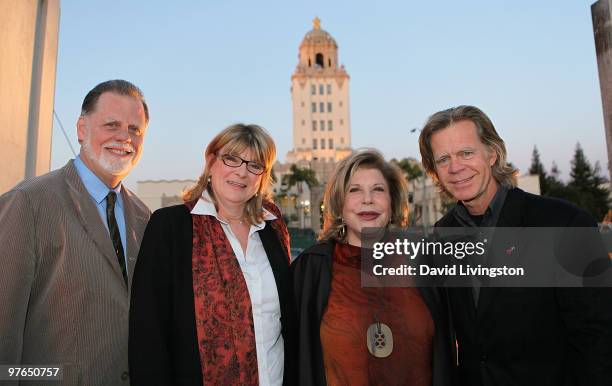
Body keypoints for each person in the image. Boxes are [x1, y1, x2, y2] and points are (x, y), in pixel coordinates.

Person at [419, 105, 612, 386]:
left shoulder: (563, 223)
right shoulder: (441, 237)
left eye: (466, 153)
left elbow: (600, 339)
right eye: (443, 159)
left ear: (492, 153)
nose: (455, 167)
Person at [0, 79, 151, 385]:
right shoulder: (28, 203)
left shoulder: (144, 218)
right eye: (112, 125)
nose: (125, 138)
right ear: (82, 129)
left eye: (135, 130)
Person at [129, 123, 297, 386]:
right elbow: (148, 333)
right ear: (211, 161)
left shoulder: (273, 227)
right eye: (231, 159)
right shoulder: (170, 227)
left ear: (262, 176)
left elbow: (287, 321)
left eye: (255, 165)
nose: (241, 172)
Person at [292, 148, 456, 386]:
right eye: (354, 190)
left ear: (392, 203)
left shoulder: (423, 262)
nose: (367, 199)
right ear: (339, 203)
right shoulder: (311, 268)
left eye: (378, 190)